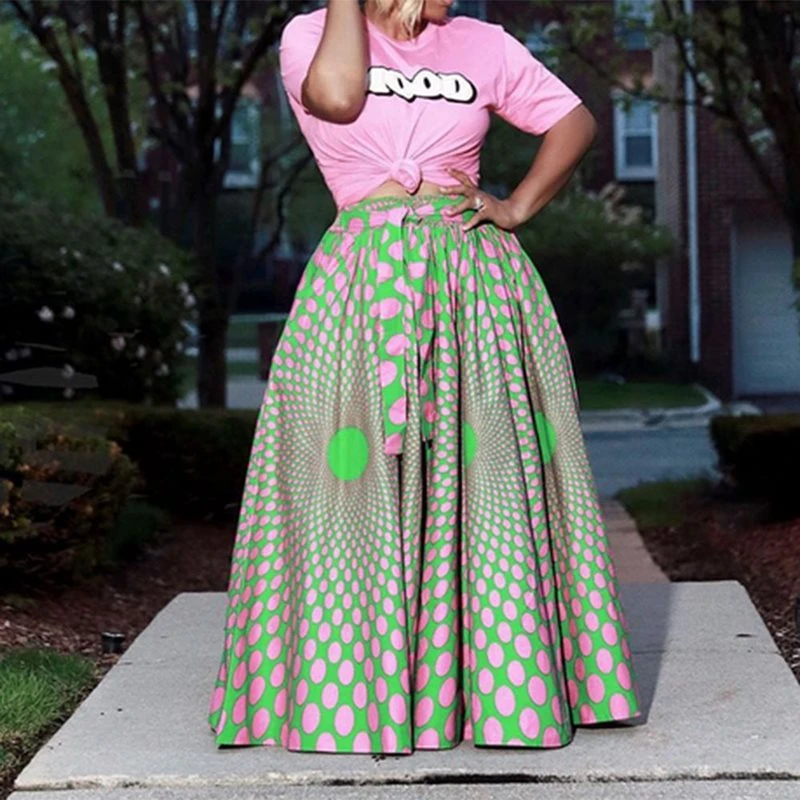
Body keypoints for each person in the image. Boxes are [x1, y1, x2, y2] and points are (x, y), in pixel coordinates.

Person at [207, 0, 642, 754]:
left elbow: (573, 121)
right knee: (350, 476)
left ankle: (503, 691)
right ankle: (350, 694)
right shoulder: (311, 36)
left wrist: (515, 206)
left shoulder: (481, 42)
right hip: (361, 278)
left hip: (473, 277)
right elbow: (339, 99)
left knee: (488, 478)